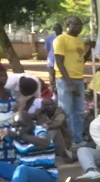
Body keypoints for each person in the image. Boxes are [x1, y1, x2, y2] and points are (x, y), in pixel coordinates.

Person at [53, 16, 87, 146]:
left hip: (79, 78)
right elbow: (59, 62)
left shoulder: (80, 41)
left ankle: (77, 139)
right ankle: (66, 141)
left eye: (80, 25)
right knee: (66, 111)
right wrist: (69, 83)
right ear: (67, 25)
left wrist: (90, 48)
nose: (78, 27)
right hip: (65, 79)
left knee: (78, 111)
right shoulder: (60, 39)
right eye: (75, 25)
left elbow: (81, 59)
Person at [35, 97, 73, 162]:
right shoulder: (39, 112)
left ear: (54, 104)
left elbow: (58, 123)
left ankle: (42, 148)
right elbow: (28, 118)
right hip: (46, 141)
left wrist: (47, 126)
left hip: (62, 142)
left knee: (54, 129)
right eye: (45, 105)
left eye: (49, 105)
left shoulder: (59, 112)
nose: (47, 107)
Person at [44, 23, 62, 96]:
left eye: (59, 28)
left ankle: (60, 93)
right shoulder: (49, 38)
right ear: (54, 30)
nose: (58, 30)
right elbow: (48, 49)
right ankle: (53, 94)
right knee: (52, 79)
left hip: (62, 62)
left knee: (61, 79)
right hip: (52, 61)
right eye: (56, 28)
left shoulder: (65, 38)